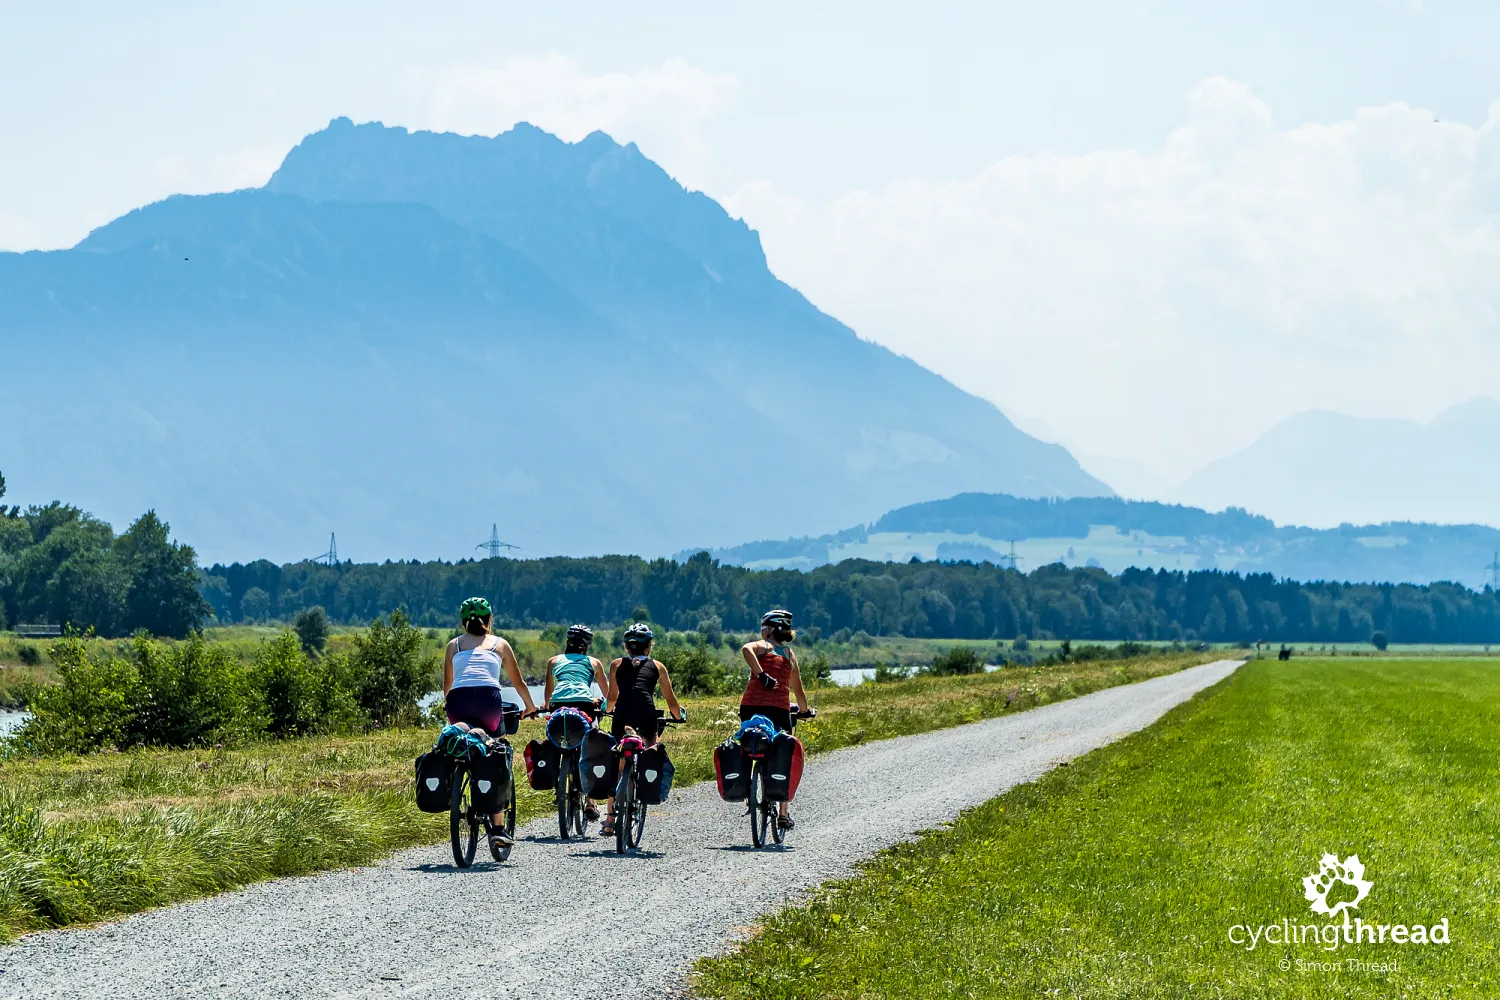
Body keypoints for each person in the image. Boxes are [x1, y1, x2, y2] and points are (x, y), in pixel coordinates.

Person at [443, 597, 540, 850]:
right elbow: (518, 683)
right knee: (495, 750)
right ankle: (498, 827)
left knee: (462, 739)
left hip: (457, 702)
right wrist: (530, 707)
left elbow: (448, 686)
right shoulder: (500, 644)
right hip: (488, 702)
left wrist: (451, 713)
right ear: (489, 620)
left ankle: (458, 784)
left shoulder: (453, 645)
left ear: (463, 621)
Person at [601, 622, 686, 836]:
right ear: (648, 646)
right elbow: (671, 700)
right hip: (647, 715)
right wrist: (678, 716)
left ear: (627, 647)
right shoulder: (657, 666)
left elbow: (612, 698)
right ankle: (645, 792)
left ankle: (610, 819)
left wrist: (607, 710)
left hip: (622, 716)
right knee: (649, 753)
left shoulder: (615, 664)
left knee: (618, 762)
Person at [739, 608, 812, 830]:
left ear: (770, 629)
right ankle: (783, 813)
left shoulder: (764, 646)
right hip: (779, 711)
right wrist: (805, 711)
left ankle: (746, 786)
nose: (761, 632)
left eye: (763, 628)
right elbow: (798, 690)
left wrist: (760, 675)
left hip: (750, 707)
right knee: (783, 753)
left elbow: (746, 648)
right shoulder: (788, 654)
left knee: (748, 742)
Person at [543, 624, 610, 820]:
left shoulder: (553, 661)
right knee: (593, 744)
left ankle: (558, 781)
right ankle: (590, 802)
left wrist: (547, 706)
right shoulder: (594, 663)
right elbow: (607, 694)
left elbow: (548, 693)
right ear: (587, 645)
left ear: (567, 641)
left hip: (558, 706)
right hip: (584, 705)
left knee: (556, 737)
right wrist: (604, 705)